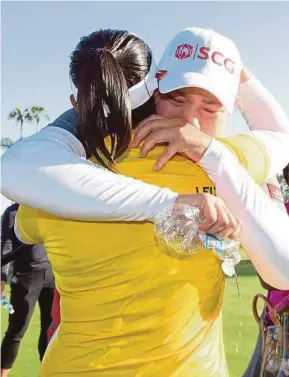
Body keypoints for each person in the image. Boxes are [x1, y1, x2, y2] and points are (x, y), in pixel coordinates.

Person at [14, 28, 288, 377]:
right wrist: (239, 75)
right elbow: (280, 135)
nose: (190, 120)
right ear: (151, 92)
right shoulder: (229, 162)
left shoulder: (58, 174)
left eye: (210, 107)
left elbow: (25, 229)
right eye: (177, 99)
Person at [1, 203, 55, 377]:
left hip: (53, 277)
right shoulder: (13, 212)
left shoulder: (48, 207)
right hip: (26, 277)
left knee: (50, 329)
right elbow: (6, 245)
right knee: (17, 330)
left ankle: (46, 372)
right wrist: (2, 277)